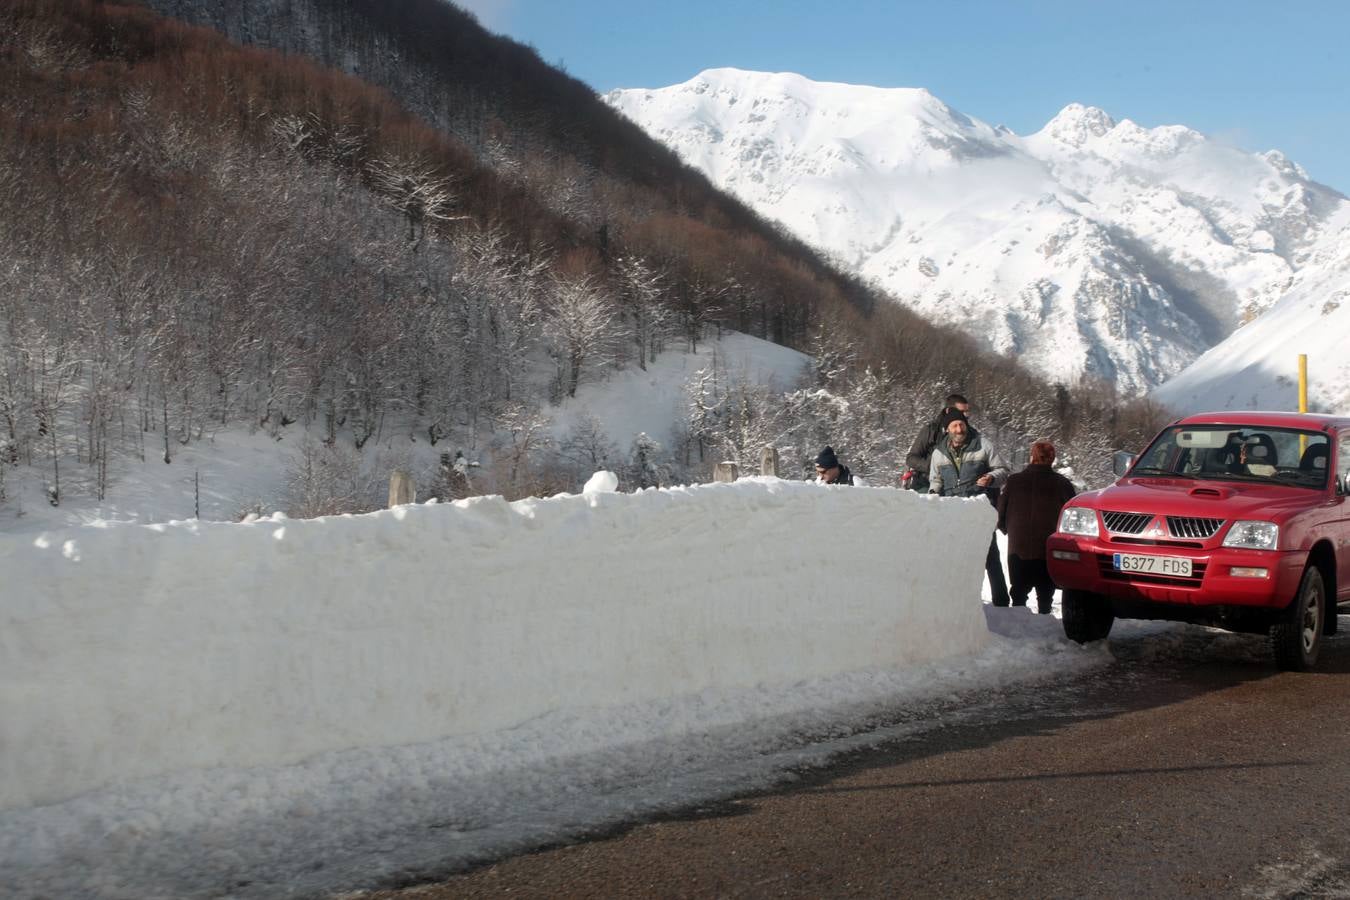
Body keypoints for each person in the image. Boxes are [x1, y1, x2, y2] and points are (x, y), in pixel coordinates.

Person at [928, 409, 1011, 606]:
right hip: (952, 512)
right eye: (955, 426)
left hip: (979, 511)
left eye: (962, 424)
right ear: (947, 429)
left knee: (990, 556)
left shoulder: (983, 444)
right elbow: (935, 480)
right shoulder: (938, 453)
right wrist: (932, 496)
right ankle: (959, 600)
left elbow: (1004, 471)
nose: (959, 429)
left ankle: (1001, 601)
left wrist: (991, 478)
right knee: (956, 557)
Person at [996, 440, 1077, 613]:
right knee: (1046, 594)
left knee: (1018, 592)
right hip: (1047, 547)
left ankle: (1017, 624)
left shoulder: (1014, 481)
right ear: (1052, 459)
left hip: (1019, 547)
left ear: (1031, 457)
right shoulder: (1062, 484)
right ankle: (1044, 623)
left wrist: (1005, 528)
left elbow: (1000, 511)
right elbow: (1072, 517)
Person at [905, 393, 973, 492]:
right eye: (961, 412)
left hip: (956, 486)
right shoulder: (931, 431)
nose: (965, 416)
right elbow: (911, 458)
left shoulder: (969, 433)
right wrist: (933, 467)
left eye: (967, 412)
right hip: (926, 483)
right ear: (948, 411)